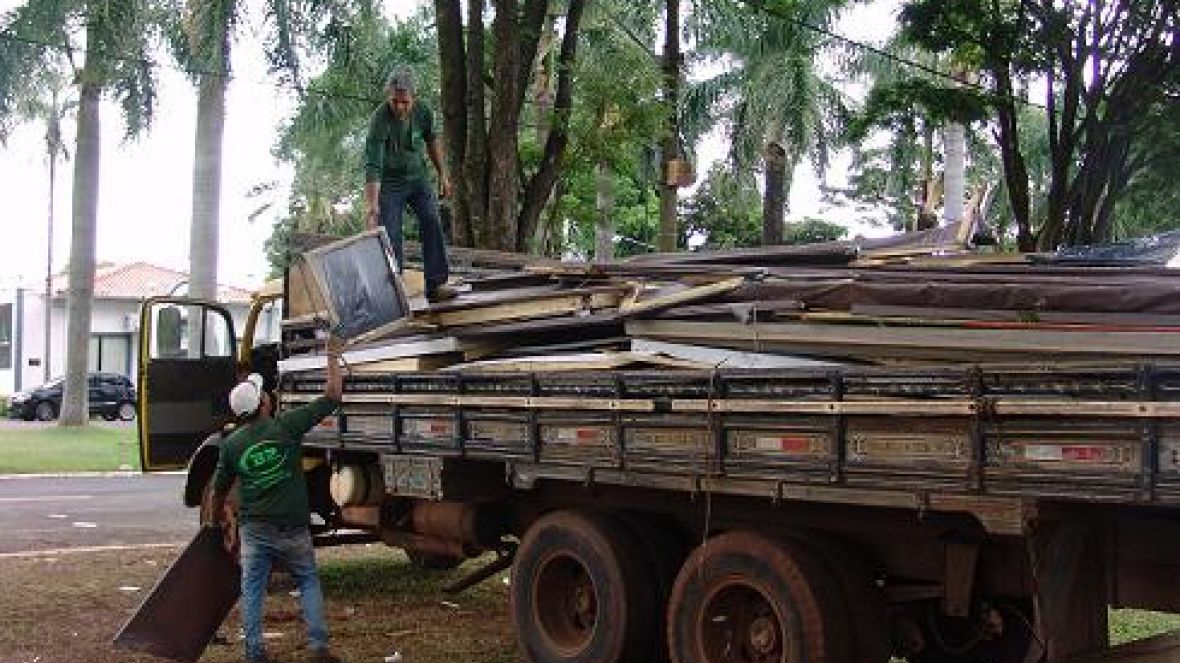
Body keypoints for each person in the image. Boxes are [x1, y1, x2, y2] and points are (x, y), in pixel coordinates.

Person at [210, 342, 344, 663]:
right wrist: (331, 357)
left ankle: (255, 653)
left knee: (253, 589)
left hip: (255, 529)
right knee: (308, 579)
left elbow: (218, 490)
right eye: (265, 393)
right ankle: (317, 647)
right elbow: (332, 396)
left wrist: (216, 521)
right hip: (294, 525)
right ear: (263, 403)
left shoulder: (231, 445)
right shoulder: (287, 426)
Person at [363, 68, 457, 303]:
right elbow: (373, 165)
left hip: (418, 179)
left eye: (404, 102)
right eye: (395, 101)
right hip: (390, 184)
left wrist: (443, 175)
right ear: (389, 96)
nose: (400, 107)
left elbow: (433, 142)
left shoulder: (423, 112)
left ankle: (436, 285)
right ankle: (395, 294)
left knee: (432, 221)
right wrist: (372, 206)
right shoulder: (379, 120)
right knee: (390, 236)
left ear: (413, 98)